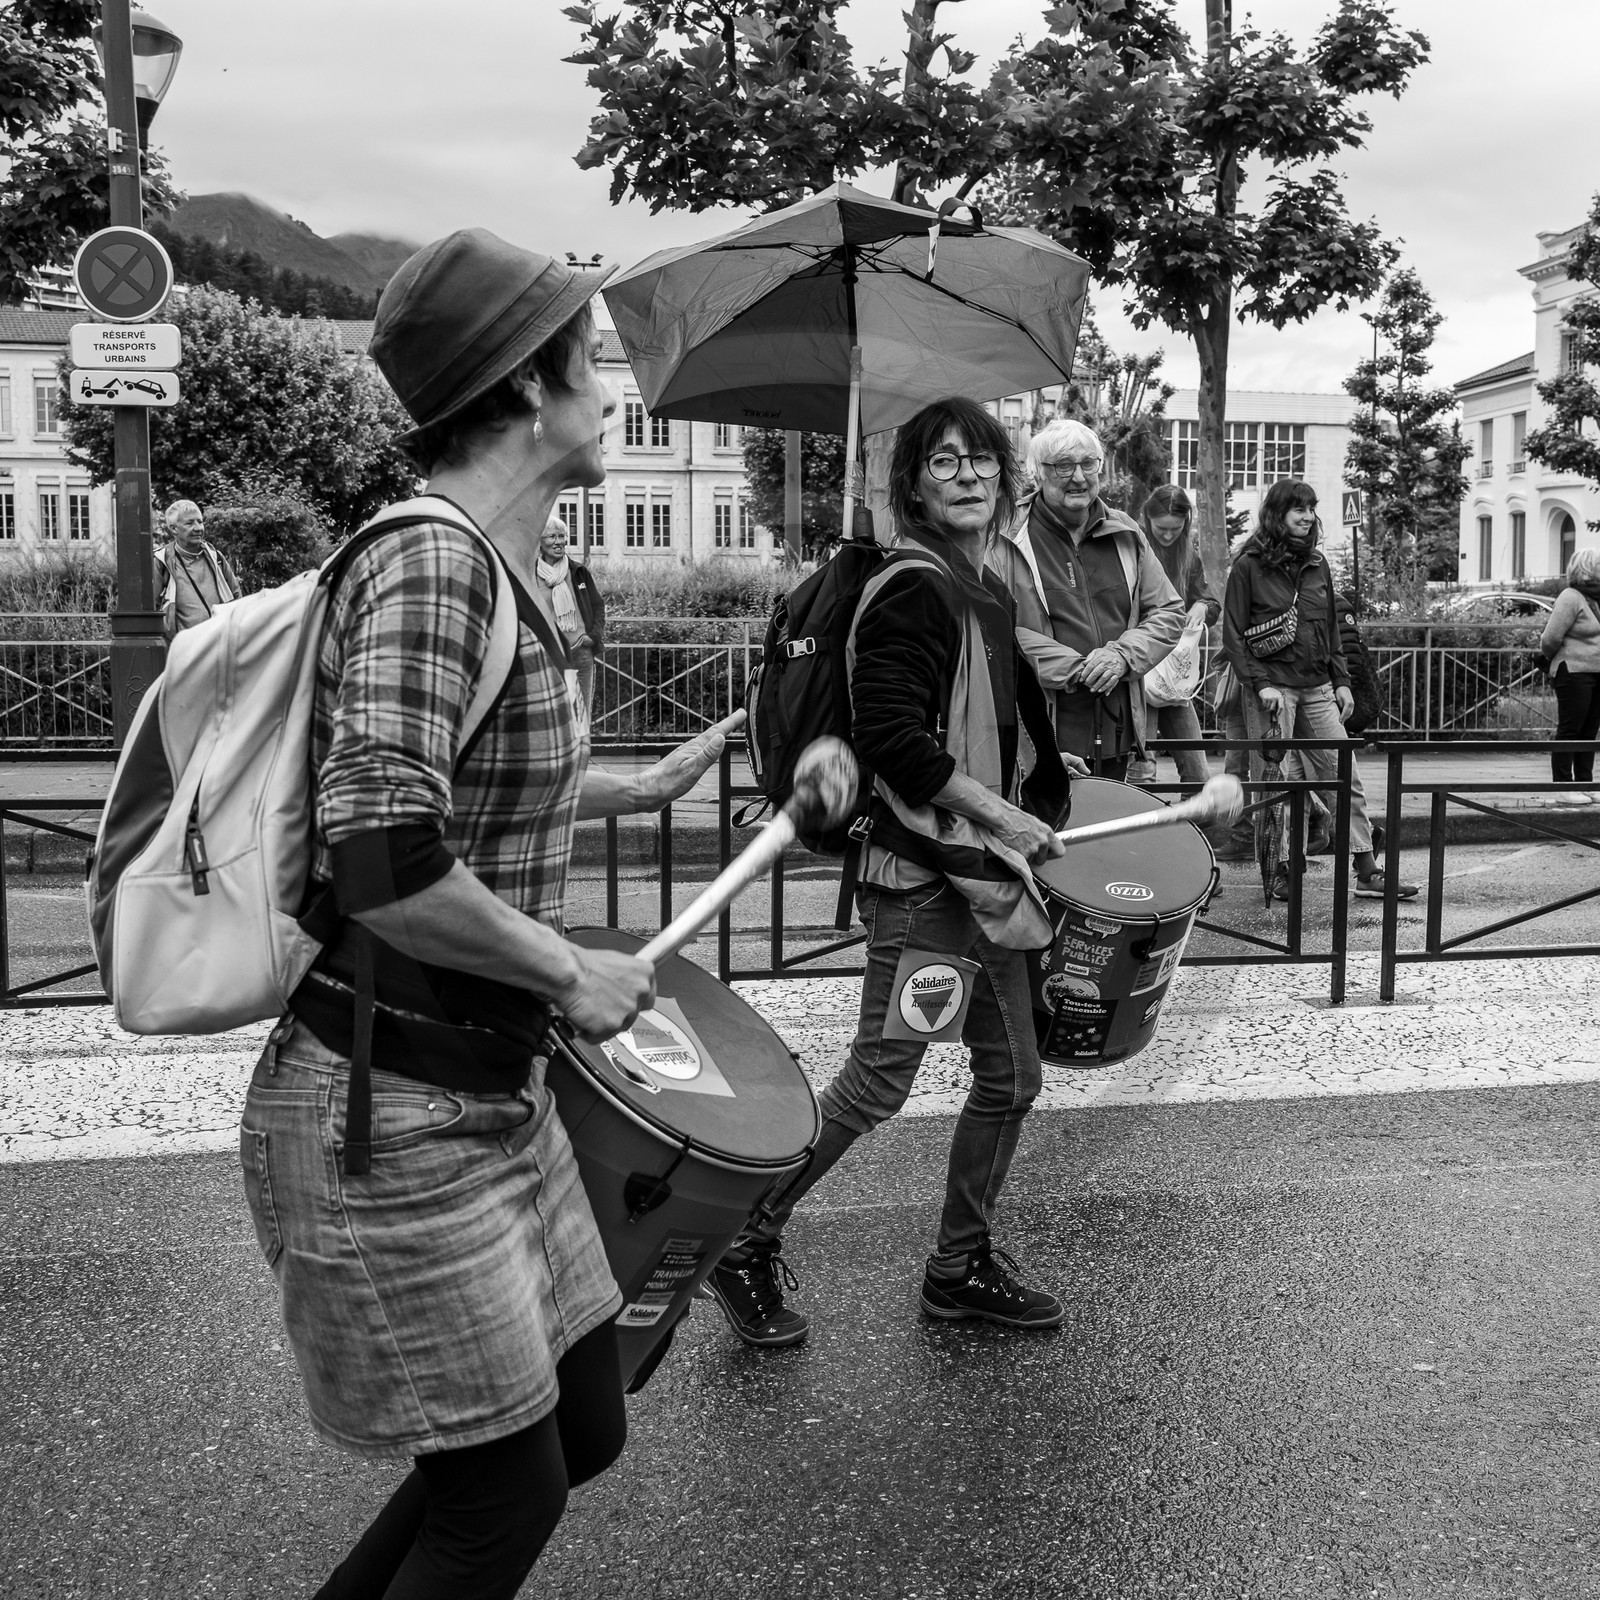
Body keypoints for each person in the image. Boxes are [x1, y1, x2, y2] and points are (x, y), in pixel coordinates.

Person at [239, 229, 735, 1600]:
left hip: (484, 1095)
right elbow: (385, 856)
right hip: (382, 1112)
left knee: (581, 1426)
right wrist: (568, 968)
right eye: (593, 355)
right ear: (525, 386)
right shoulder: (434, 561)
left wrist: (642, 785)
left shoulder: (506, 566)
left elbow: (466, 800)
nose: (612, 383)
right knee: (496, 1499)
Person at [708, 397, 1072, 1347]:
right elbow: (893, 742)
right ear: (911, 486)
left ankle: (959, 1267)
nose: (967, 475)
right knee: (880, 1080)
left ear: (1005, 477)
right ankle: (743, 1239)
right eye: (942, 462)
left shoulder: (978, 585)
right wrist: (1007, 819)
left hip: (977, 878)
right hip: (925, 881)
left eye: (981, 460)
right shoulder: (916, 586)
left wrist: (1030, 795)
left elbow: (985, 734)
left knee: (1012, 1074)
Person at [1223, 479, 1416, 901]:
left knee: (1344, 774)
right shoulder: (1249, 566)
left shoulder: (1317, 563)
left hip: (1317, 688)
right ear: (1277, 514)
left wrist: (1342, 681)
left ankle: (1366, 869)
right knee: (1274, 785)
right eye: (1299, 509)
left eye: (1311, 508)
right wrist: (1260, 684)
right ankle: (1277, 870)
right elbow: (1233, 636)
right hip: (1273, 691)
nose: (1308, 516)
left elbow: (1330, 628)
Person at [1000, 418, 1184, 780]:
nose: (1080, 477)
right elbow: (995, 627)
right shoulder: (1007, 536)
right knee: (1045, 832)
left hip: (1117, 731)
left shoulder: (1126, 532)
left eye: (1088, 464)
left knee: (1106, 829)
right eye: (1063, 466)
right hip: (1039, 732)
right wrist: (1077, 668)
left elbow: (1168, 611)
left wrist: (1120, 656)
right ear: (1038, 474)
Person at [1128, 483, 1219, 792]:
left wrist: (1202, 607)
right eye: (1161, 528)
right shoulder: (1131, 547)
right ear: (1147, 520)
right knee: (1142, 771)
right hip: (1141, 672)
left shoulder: (1188, 556)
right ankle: (1140, 839)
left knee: (1198, 772)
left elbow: (1211, 602)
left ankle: (1189, 833)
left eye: (1175, 529)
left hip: (1174, 673)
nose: (1168, 535)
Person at [1539, 548, 1600, 800]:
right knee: (1571, 728)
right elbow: (1550, 638)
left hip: (1597, 673)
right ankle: (1563, 786)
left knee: (1589, 730)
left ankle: (1585, 784)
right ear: (1588, 568)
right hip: (1572, 673)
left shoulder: (1597, 599)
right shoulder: (1571, 597)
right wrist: (1554, 658)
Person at [537, 513, 606, 714]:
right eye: (552, 537)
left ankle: (581, 747)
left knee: (579, 716)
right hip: (548, 655)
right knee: (551, 715)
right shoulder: (532, 574)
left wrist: (593, 637)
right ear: (540, 543)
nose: (558, 542)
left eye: (562, 536)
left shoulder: (577, 572)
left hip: (579, 653)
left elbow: (598, 606)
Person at [154, 499, 242, 639]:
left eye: (200, 522)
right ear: (173, 529)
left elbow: (236, 597)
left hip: (219, 643)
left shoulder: (216, 557)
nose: (198, 528)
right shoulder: (162, 561)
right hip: (185, 648)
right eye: (190, 523)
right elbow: (152, 608)